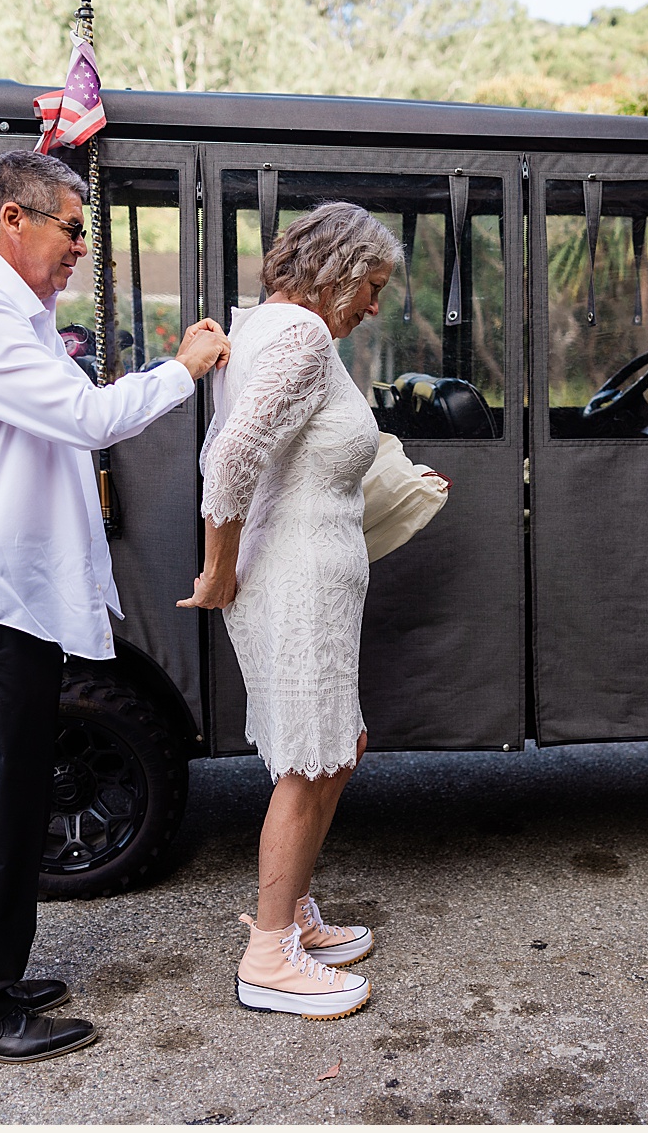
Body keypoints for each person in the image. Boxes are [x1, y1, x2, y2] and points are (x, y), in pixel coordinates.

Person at [0, 149, 229, 1065]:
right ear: (13, 218)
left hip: (3, 592)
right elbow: (88, 420)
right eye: (71, 228)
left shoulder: (8, 312)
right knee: (8, 808)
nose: (80, 247)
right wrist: (184, 368)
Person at [178, 202, 405, 1021]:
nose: (374, 306)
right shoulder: (304, 338)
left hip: (311, 571)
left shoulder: (272, 330)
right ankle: (268, 954)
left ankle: (294, 913)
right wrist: (217, 572)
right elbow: (233, 455)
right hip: (298, 579)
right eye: (371, 286)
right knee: (314, 760)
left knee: (332, 749)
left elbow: (287, 459)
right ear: (339, 271)